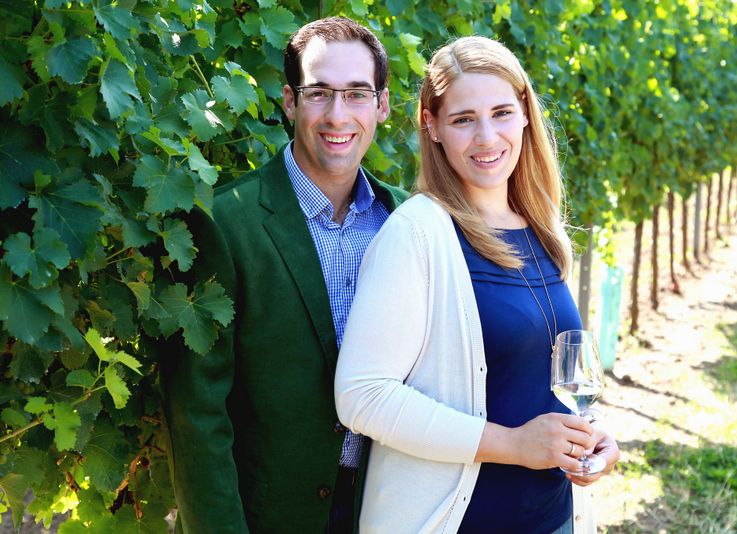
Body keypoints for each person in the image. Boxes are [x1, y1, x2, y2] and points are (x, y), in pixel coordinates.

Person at [334, 36, 619, 534]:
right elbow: (362, 395)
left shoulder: (540, 227)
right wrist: (513, 445)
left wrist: (587, 438)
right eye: (464, 119)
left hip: (554, 518)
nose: (487, 137)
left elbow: (534, 382)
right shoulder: (416, 234)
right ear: (433, 127)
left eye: (502, 112)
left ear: (527, 113)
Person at [159, 17, 407, 534]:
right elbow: (196, 417)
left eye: (357, 94)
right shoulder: (224, 223)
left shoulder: (406, 223)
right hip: (266, 518)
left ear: (381, 105)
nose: (338, 115)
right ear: (291, 101)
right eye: (319, 93)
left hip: (386, 511)